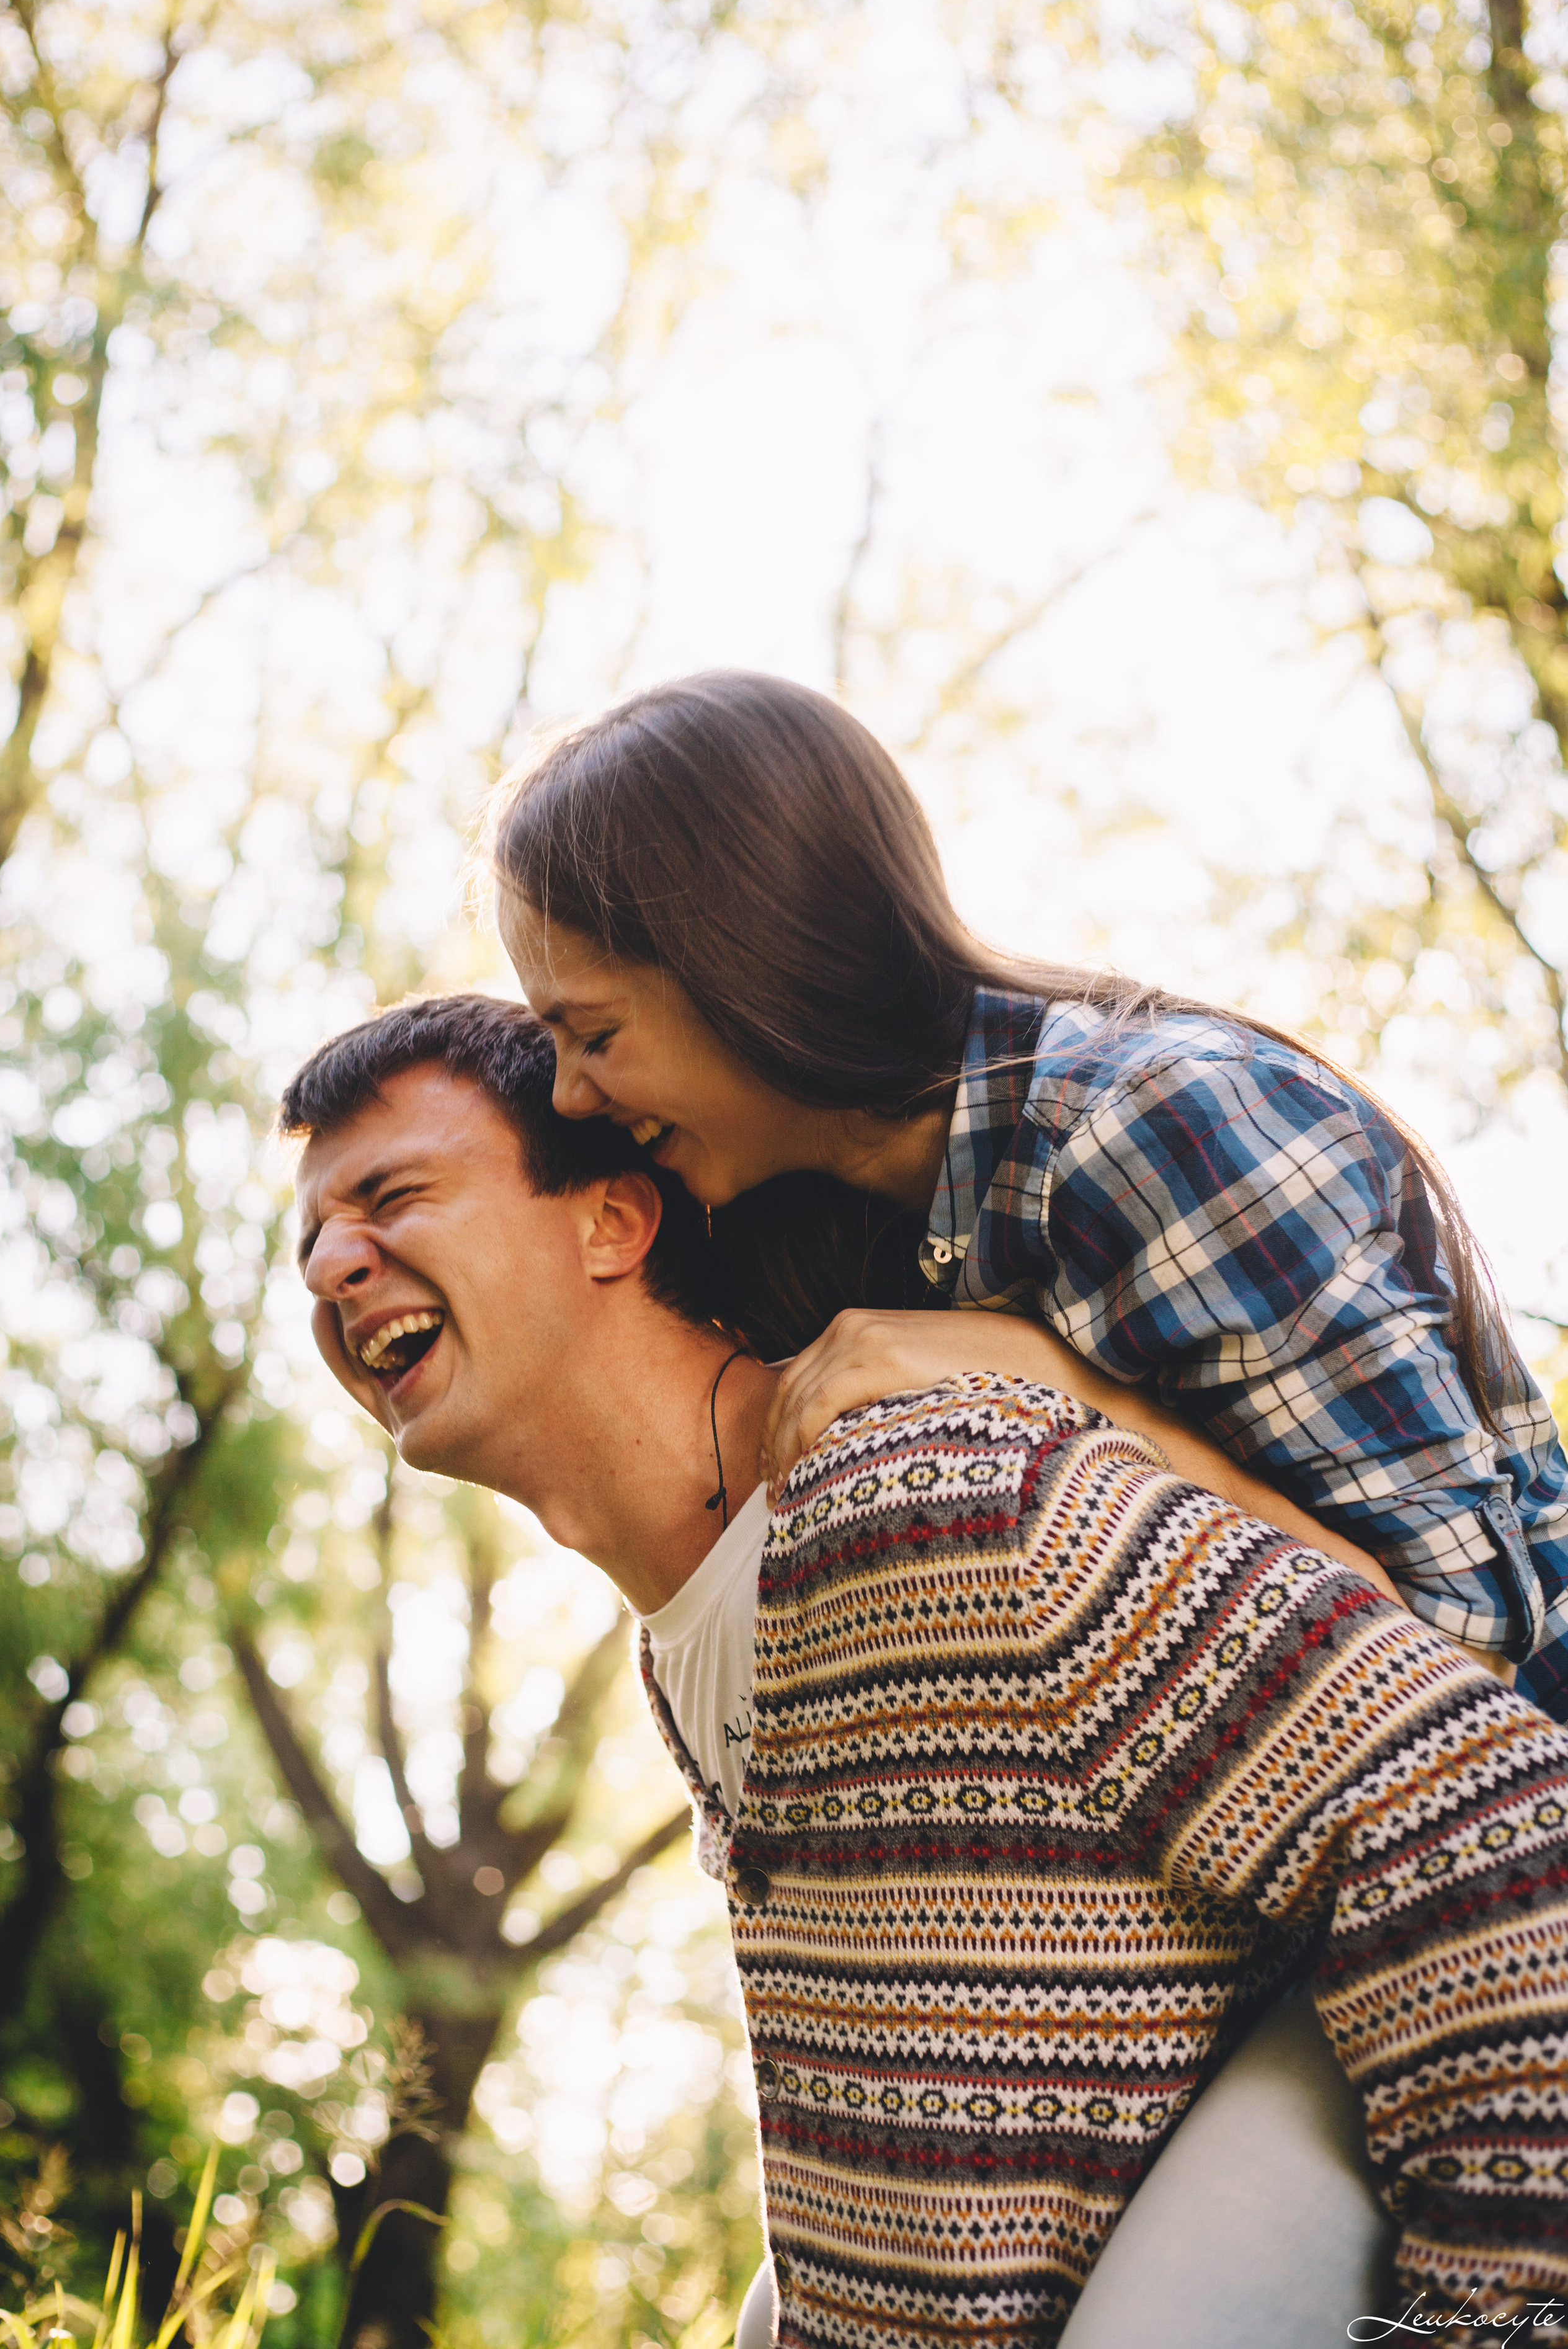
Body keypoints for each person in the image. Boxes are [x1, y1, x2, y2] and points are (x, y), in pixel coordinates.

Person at [283, 992, 1568, 2348]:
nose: (327, 1268)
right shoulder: (692, 1649)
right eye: (310, 1238)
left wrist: (1493, 2318)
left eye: (391, 1195)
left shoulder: (934, 1499)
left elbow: (1496, 1824)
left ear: (611, 1218)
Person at [487, 667, 1568, 1713]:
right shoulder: (841, 1231)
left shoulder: (1156, 1126)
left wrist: (1057, 1390)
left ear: (746, 963)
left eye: (595, 1035)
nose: (573, 1097)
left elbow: (1460, 1669)